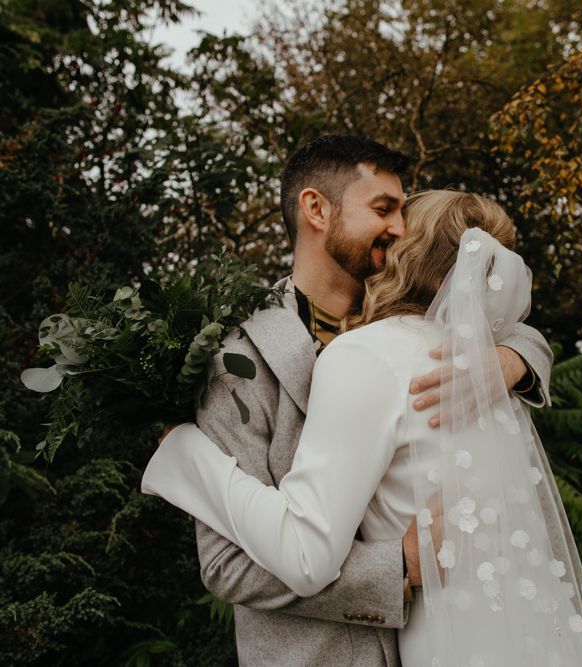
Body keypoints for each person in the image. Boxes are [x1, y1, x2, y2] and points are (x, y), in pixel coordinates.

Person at [145, 136, 555, 666]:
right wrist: (398, 568)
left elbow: (517, 325)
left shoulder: (422, 319)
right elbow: (226, 564)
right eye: (384, 209)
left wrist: (512, 359)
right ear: (316, 209)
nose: (403, 229)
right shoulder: (237, 361)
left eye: (405, 212)